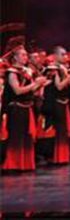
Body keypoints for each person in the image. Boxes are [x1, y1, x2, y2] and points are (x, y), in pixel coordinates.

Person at [2, 44, 50, 172]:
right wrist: (35, 83)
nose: (25, 57)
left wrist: (40, 85)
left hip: (27, 108)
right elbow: (17, 91)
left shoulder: (25, 72)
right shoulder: (12, 72)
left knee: (26, 137)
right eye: (23, 55)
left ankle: (26, 164)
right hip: (16, 109)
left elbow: (31, 92)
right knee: (17, 137)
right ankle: (14, 164)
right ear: (15, 57)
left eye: (26, 55)